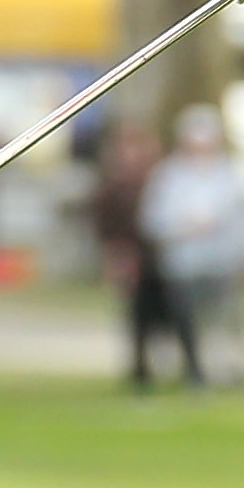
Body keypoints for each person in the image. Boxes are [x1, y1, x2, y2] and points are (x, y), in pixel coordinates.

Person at [138, 103, 244, 385]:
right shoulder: (169, 175)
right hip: (185, 262)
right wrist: (184, 226)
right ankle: (194, 370)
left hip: (224, 261)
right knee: (187, 320)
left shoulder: (230, 175)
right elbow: (153, 219)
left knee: (227, 319)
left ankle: (233, 369)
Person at [90, 116, 197, 387]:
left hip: (166, 256)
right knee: (139, 316)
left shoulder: (164, 178)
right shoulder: (114, 187)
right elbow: (106, 225)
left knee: (180, 313)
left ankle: (191, 367)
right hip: (135, 259)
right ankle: (140, 369)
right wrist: (116, 256)